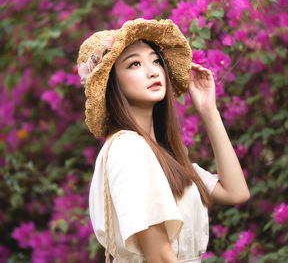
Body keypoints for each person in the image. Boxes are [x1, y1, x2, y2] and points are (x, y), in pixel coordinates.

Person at [76, 18, 250, 263]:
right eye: (134, 64)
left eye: (156, 60)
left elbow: (236, 192)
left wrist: (209, 111)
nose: (153, 70)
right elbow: (159, 256)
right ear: (111, 83)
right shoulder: (128, 148)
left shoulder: (161, 153)